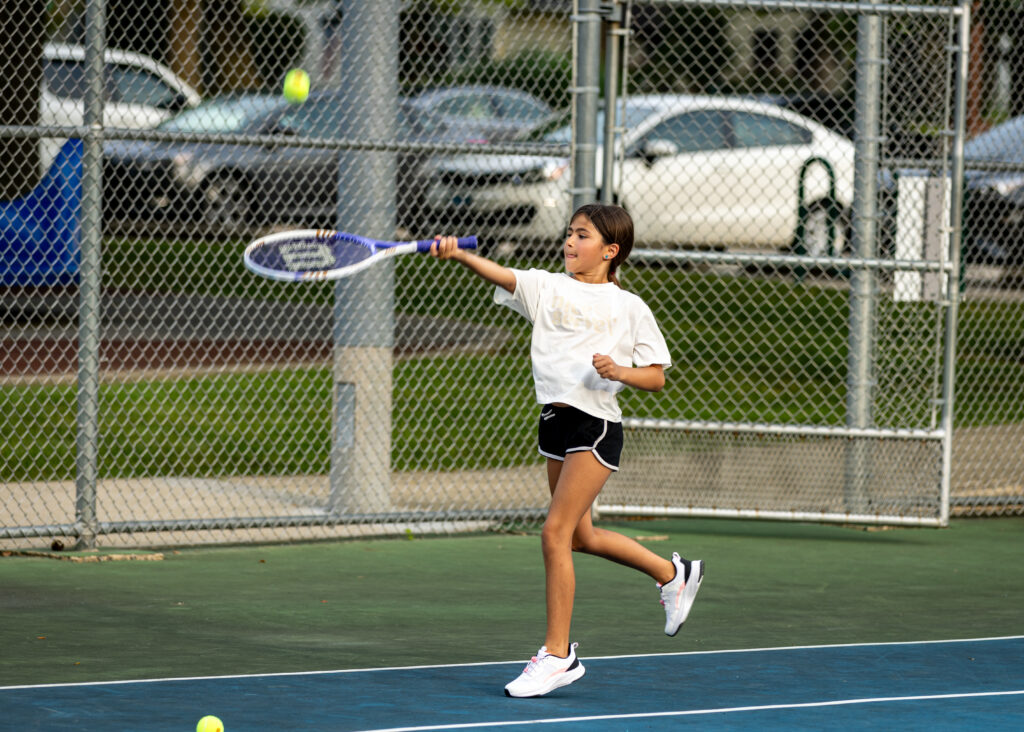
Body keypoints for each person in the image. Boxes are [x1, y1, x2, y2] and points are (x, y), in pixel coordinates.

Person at [430, 203, 704, 698]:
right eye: (569, 233)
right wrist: (460, 257)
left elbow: (657, 376)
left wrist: (621, 372)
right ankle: (672, 573)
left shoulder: (629, 307)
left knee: (553, 532)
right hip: (553, 421)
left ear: (610, 250)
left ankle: (558, 654)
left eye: (582, 235)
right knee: (579, 536)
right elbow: (505, 275)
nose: (570, 243)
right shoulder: (547, 287)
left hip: (594, 425)